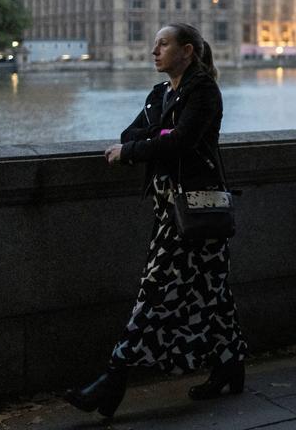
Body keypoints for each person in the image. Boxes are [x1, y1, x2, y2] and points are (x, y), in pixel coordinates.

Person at [64, 24, 247, 418]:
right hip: (169, 206)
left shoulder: (204, 92)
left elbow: (180, 140)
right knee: (212, 289)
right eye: (155, 43)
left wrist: (137, 147)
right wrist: (155, 135)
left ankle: (113, 379)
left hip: (197, 206)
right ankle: (231, 365)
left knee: (154, 289)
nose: (153, 50)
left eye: (163, 44)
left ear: (188, 52)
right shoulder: (160, 94)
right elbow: (135, 131)